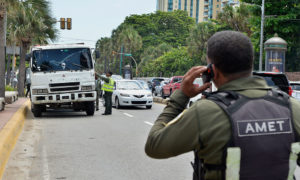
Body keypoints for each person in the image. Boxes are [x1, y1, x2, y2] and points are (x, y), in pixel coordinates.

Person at [145, 31, 300, 180]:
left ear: (212, 70)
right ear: (250, 63)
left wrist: (182, 95)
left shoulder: (206, 111)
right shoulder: (292, 108)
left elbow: (154, 145)